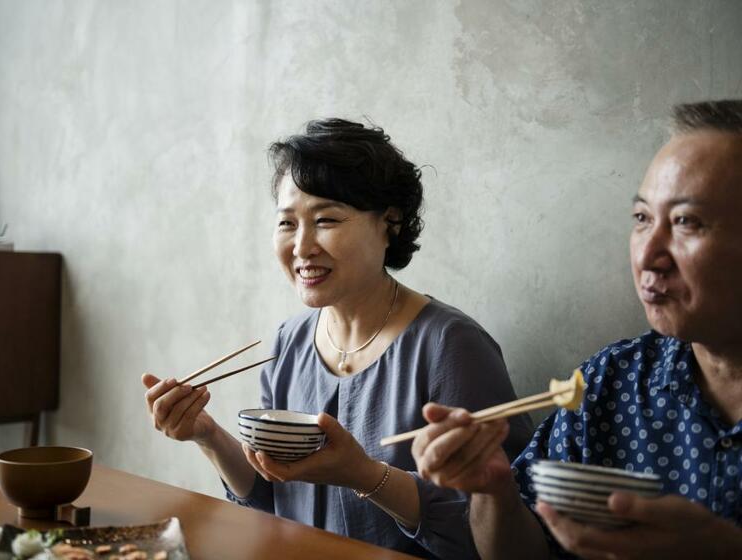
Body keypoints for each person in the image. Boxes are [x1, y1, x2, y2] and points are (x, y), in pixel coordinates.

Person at [143, 118, 533, 558]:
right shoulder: (287, 343)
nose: (302, 246)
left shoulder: (451, 345)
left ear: (391, 222)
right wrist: (207, 435)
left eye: (326, 219)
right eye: (288, 223)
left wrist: (364, 475)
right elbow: (272, 497)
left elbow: (491, 539)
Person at [411, 99, 742, 559]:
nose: (648, 256)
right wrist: (493, 489)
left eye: (686, 222)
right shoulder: (610, 382)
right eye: (643, 219)